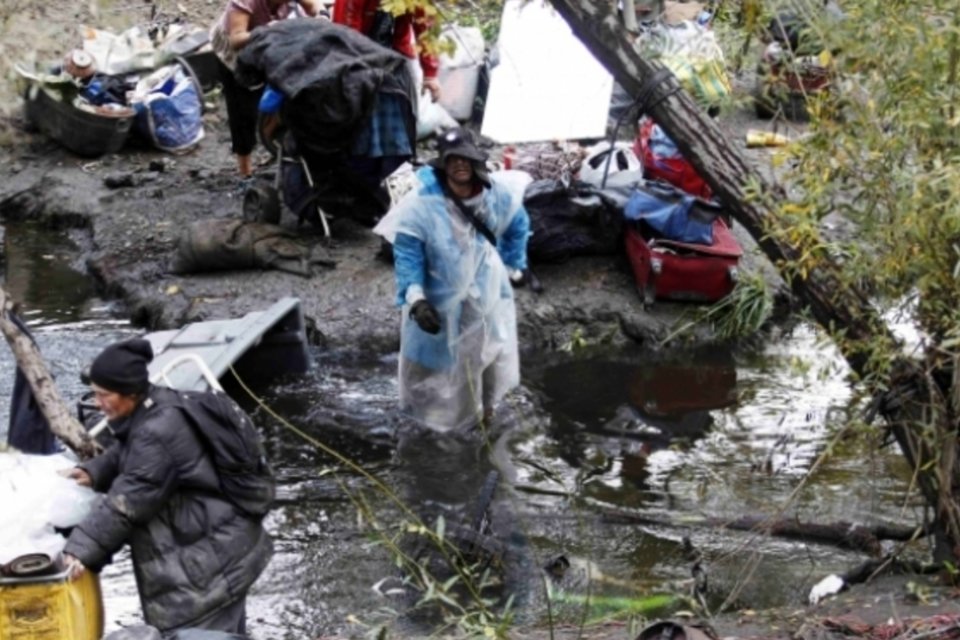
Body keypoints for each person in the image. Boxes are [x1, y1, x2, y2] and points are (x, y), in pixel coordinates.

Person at [61, 338, 272, 634]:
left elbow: (128, 501)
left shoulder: (158, 430)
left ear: (129, 392)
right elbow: (130, 453)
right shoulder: (157, 404)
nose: (96, 403)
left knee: (200, 634)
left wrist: (79, 550)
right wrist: (94, 471)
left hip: (207, 565)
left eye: (103, 394)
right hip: (222, 546)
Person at [374, 127, 531, 432]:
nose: (460, 165)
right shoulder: (421, 202)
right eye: (452, 159)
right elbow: (407, 252)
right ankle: (423, 423)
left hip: (484, 290)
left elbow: (518, 224)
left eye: (466, 158)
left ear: (476, 162)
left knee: (483, 354)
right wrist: (416, 298)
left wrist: (515, 265)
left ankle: (483, 416)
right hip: (436, 293)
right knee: (427, 363)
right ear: (443, 163)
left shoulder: (495, 194)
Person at [210, 0, 320, 181]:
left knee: (283, 94)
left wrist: (321, 15)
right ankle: (245, 171)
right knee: (243, 111)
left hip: (268, 44)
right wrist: (266, 30)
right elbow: (236, 39)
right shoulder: (245, 3)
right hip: (234, 53)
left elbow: (313, 7)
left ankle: (275, 146)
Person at [331, 0, 441, 102]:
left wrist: (430, 73)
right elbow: (347, 33)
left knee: (402, 110)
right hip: (356, 59)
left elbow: (425, 28)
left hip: (397, 57)